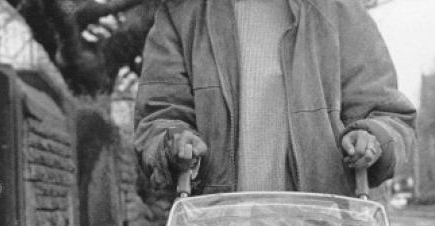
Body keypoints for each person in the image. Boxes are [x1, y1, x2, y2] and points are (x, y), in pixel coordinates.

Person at [133, 0, 416, 197]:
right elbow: (158, 117)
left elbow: (388, 115)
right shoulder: (181, 15)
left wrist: (372, 139)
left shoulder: (339, 10)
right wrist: (174, 144)